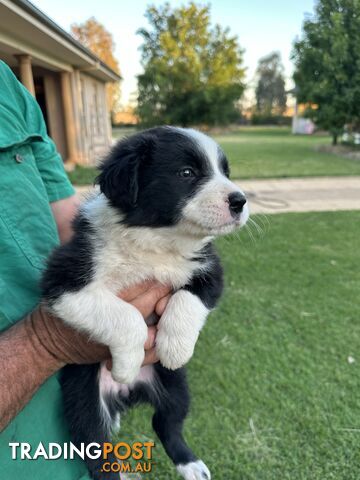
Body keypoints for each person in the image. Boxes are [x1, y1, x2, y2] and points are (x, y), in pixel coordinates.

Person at [0, 60, 171, 479]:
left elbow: (72, 222)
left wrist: (152, 255)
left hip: (79, 438)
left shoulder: (6, 83)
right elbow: (56, 336)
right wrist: (45, 343)